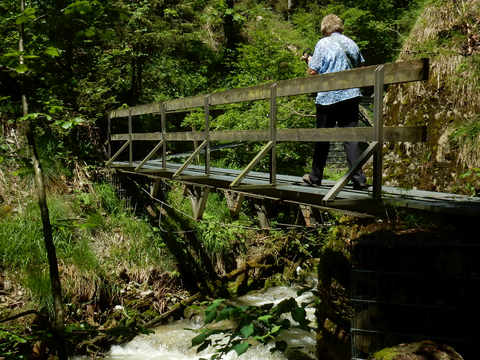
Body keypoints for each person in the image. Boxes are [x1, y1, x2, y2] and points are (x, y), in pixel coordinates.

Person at [302, 14, 368, 190]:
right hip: (351, 96)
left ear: (325, 28)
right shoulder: (351, 43)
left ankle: (315, 177)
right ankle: (359, 179)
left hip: (328, 98)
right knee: (350, 138)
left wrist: (309, 62)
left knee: (323, 137)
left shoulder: (322, 44)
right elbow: (361, 69)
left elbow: (313, 72)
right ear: (340, 27)